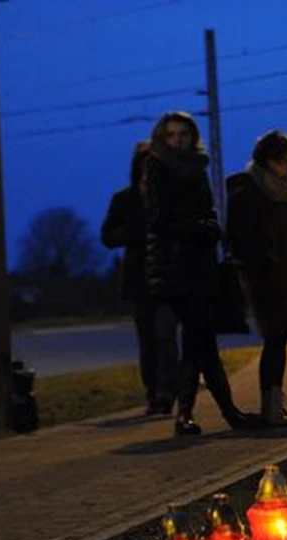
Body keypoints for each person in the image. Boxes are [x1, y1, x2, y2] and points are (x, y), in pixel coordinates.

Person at [141, 111, 264, 435]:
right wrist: (200, 229)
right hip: (176, 268)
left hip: (200, 265)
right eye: (172, 134)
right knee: (200, 340)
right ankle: (219, 413)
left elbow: (207, 209)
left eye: (184, 133)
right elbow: (158, 219)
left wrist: (210, 228)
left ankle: (197, 415)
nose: (178, 139)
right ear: (163, 138)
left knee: (200, 342)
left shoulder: (197, 168)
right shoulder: (157, 167)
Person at [225, 130, 287, 426]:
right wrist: (267, 261)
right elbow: (241, 237)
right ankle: (271, 407)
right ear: (270, 160)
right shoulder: (251, 192)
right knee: (275, 338)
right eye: (286, 159)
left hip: (286, 276)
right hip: (266, 278)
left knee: (280, 339)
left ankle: (276, 404)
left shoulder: (282, 190)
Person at [101, 141, 179, 416]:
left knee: (166, 336)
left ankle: (166, 391)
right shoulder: (124, 200)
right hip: (139, 279)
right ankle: (153, 393)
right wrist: (133, 230)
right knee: (147, 341)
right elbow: (108, 237)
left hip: (168, 277)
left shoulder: (171, 198)